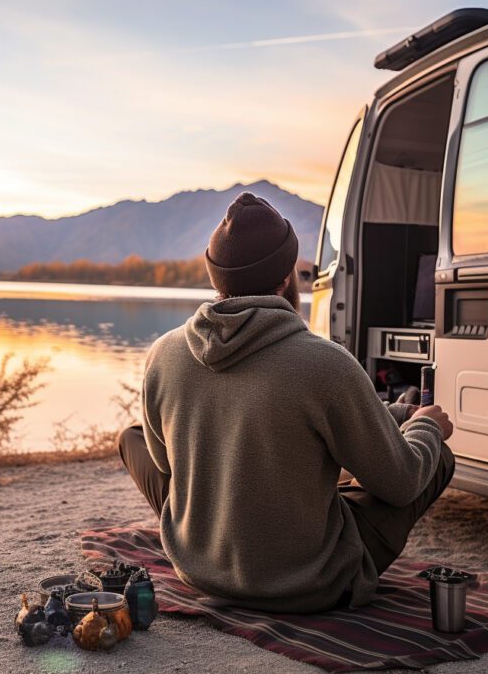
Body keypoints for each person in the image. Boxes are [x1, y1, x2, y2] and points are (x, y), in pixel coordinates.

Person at [117, 192, 454, 613]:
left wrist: (398, 415)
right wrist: (427, 428)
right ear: (285, 277)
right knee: (433, 456)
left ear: (215, 278)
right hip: (309, 583)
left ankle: (209, 543)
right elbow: (401, 482)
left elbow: (167, 468)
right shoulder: (325, 363)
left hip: (198, 569)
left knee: (133, 438)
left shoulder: (162, 354)